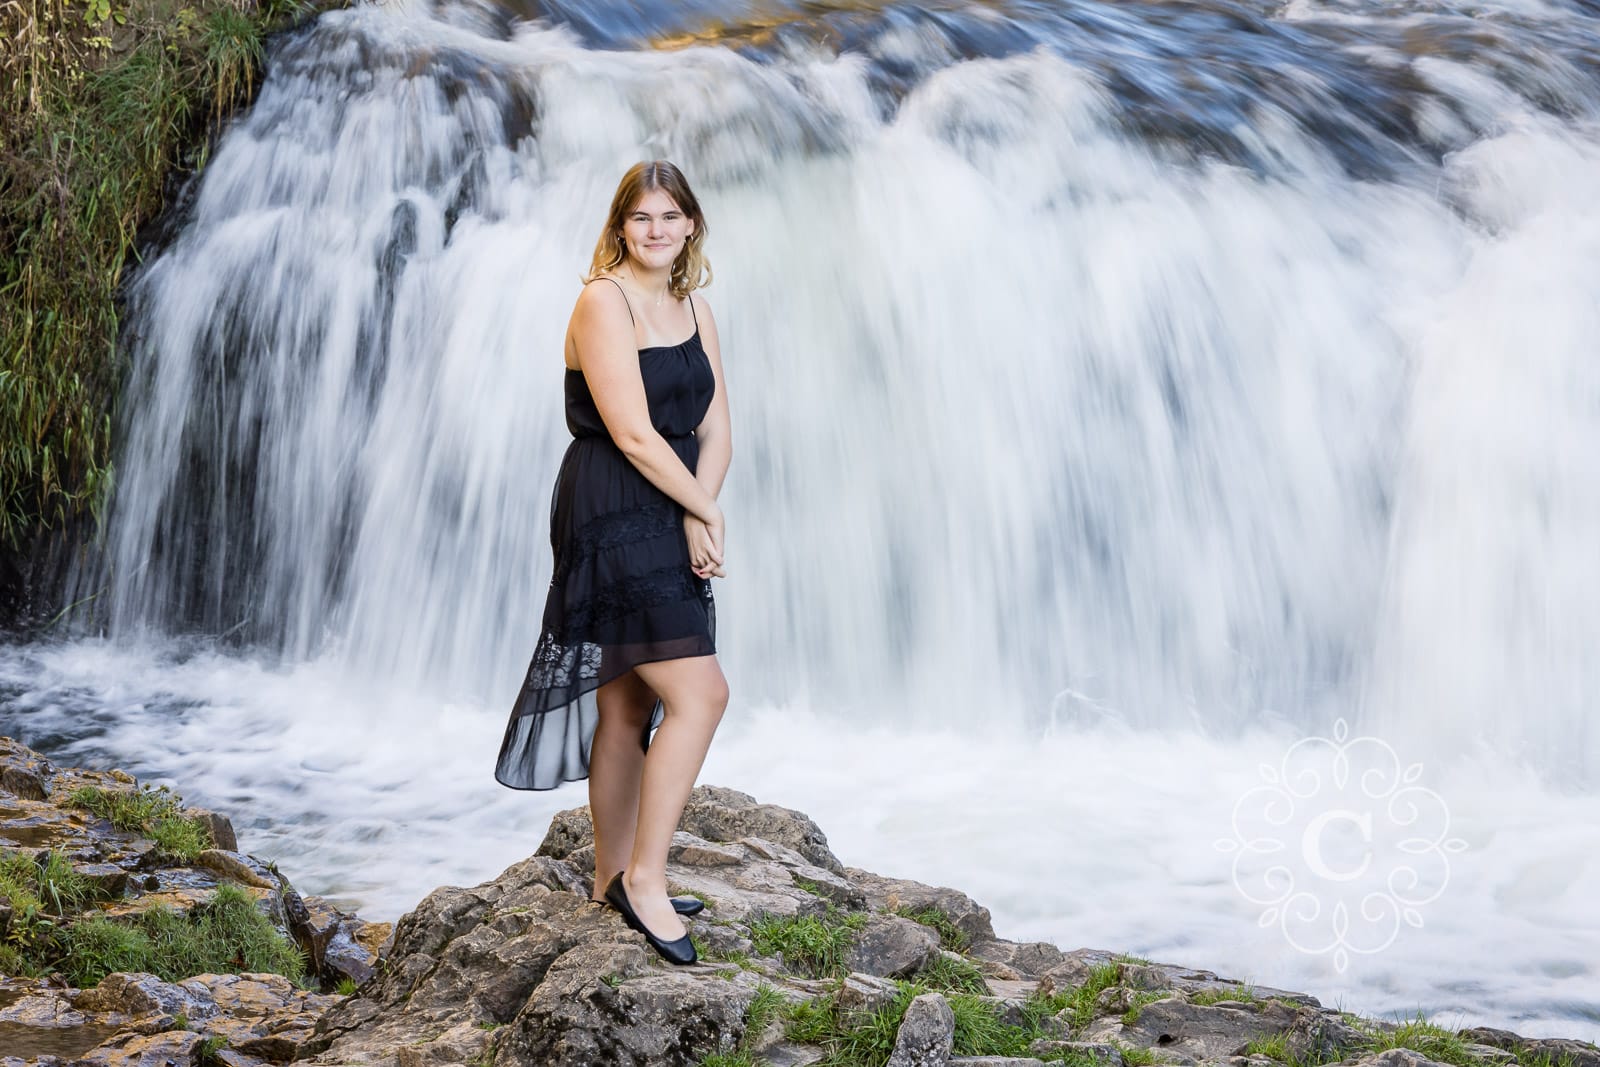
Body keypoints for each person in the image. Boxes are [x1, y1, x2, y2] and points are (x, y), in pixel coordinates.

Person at [493, 161, 732, 966]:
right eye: (641, 218)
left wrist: (700, 505)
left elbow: (718, 425)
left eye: (671, 216)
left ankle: (608, 880)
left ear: (691, 225)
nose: (657, 229)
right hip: (610, 503)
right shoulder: (603, 301)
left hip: (672, 504)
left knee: (631, 703)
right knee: (702, 694)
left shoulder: (694, 306)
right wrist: (703, 511)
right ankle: (648, 880)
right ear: (620, 228)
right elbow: (631, 433)